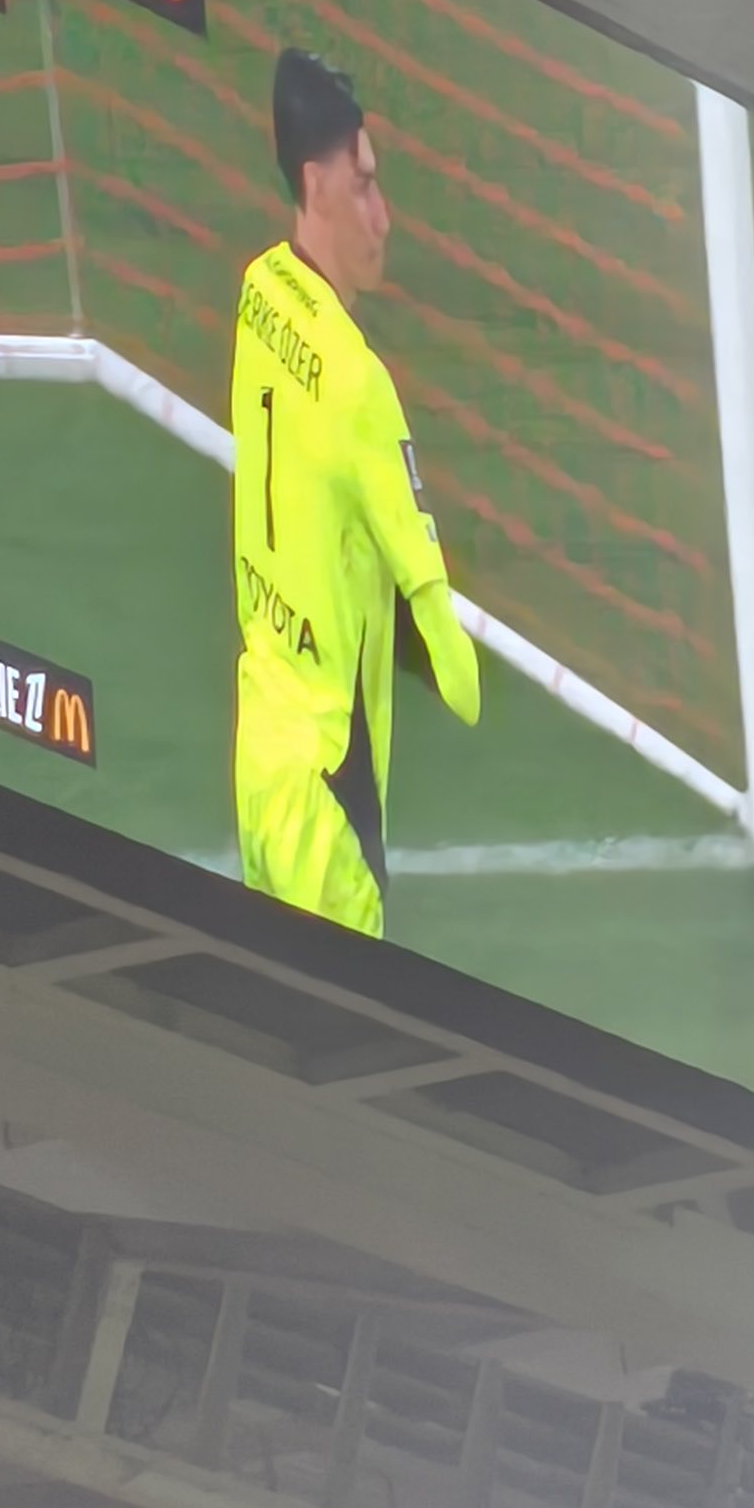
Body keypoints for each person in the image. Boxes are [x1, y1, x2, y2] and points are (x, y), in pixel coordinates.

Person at [229, 47, 479, 935]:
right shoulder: (360, 384)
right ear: (316, 183)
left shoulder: (260, 291)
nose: (384, 215)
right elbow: (457, 672)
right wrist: (446, 648)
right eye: (365, 185)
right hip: (328, 811)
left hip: (259, 760)